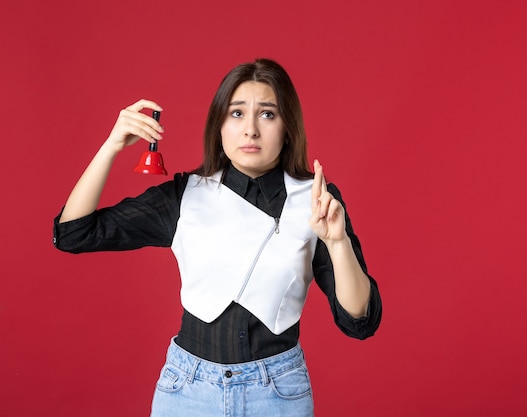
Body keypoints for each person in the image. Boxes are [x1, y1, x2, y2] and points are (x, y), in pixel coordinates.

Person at [53, 58, 382, 417]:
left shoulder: (316, 200)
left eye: (268, 114)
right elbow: (73, 233)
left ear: (288, 127)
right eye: (237, 113)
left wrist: (337, 243)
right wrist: (111, 146)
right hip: (187, 391)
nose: (251, 130)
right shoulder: (184, 196)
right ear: (219, 125)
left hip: (279, 393)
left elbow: (359, 320)